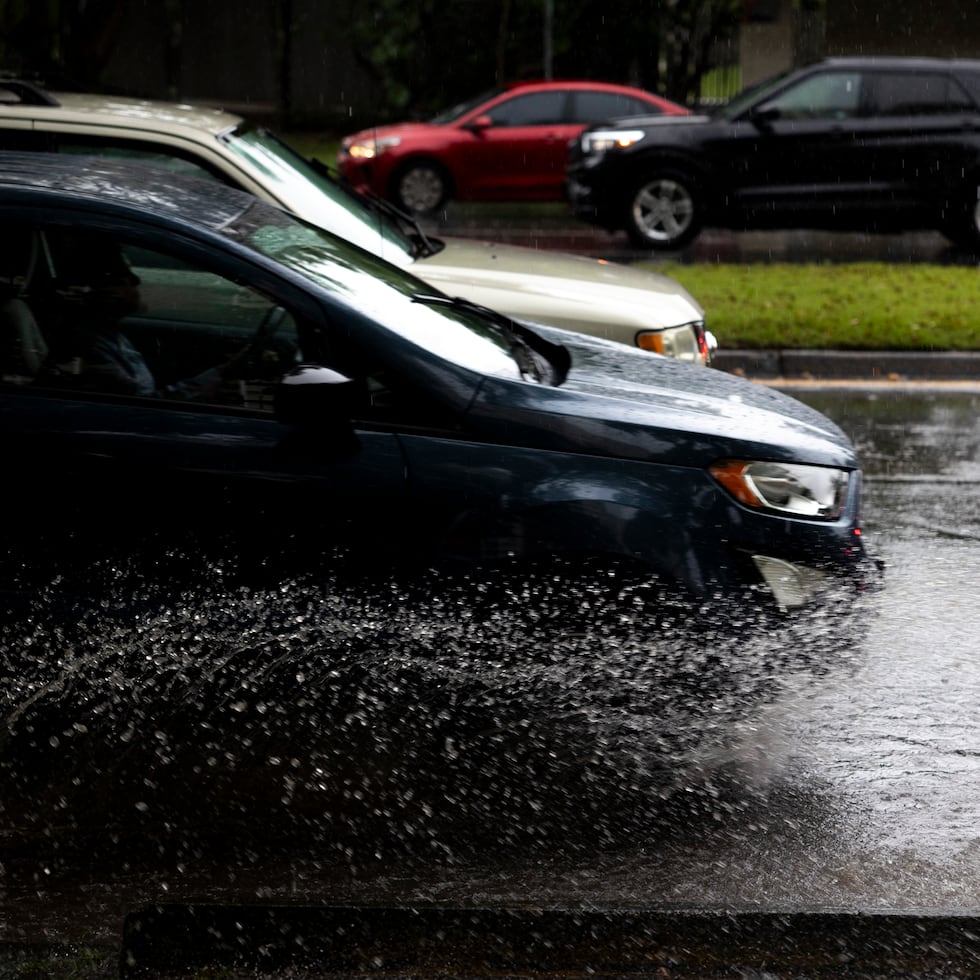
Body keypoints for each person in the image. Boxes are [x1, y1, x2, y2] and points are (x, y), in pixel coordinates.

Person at [45, 233, 245, 400]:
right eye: (121, 278)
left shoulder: (109, 335)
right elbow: (148, 409)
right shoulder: (92, 350)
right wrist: (221, 373)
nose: (136, 281)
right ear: (95, 291)